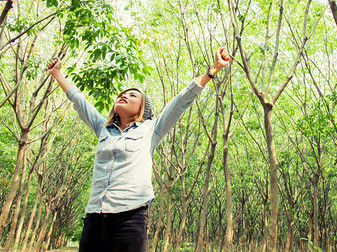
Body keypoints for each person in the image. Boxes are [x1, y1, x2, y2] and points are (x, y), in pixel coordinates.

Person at [47, 48, 230, 252]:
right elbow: (79, 101)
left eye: (132, 95)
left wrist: (212, 70)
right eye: (121, 95)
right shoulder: (103, 128)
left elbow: (181, 101)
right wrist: (57, 74)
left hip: (129, 221)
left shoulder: (151, 129)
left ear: (143, 108)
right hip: (94, 220)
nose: (123, 96)